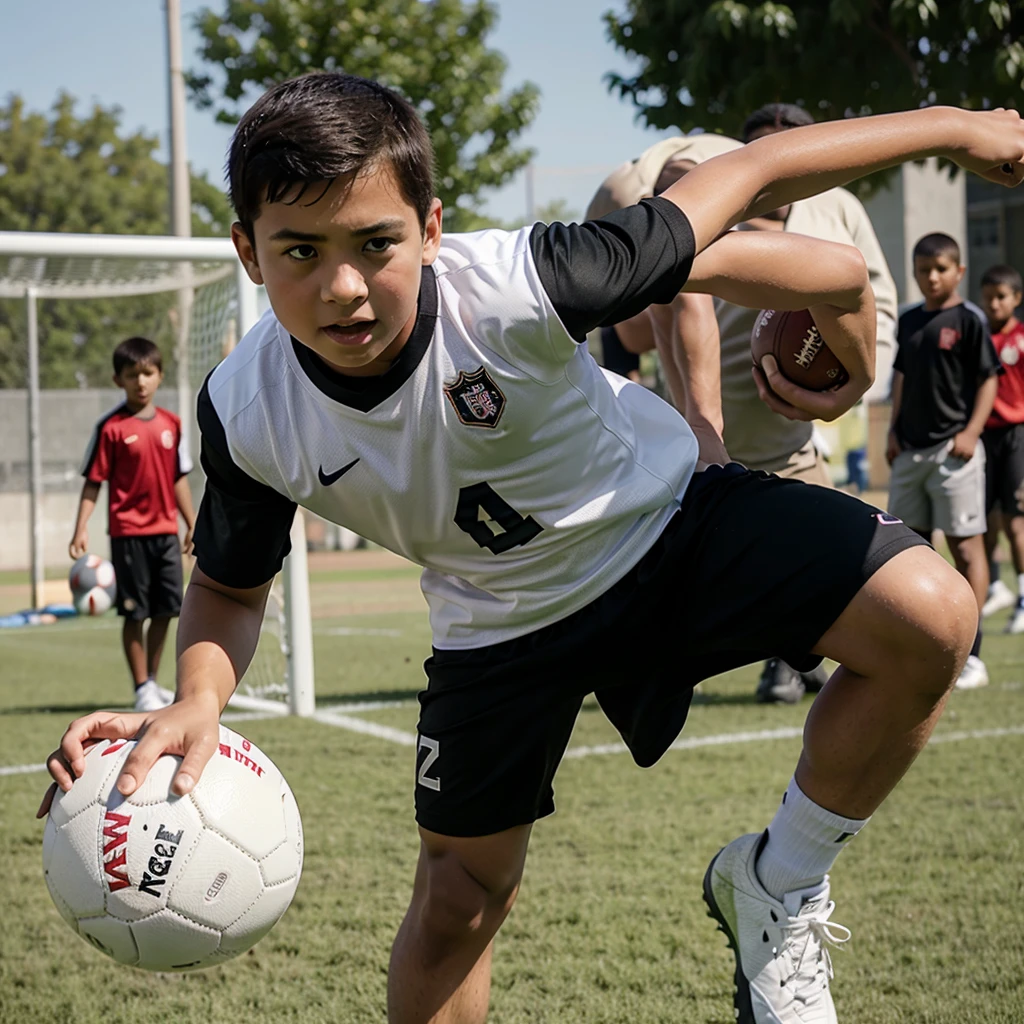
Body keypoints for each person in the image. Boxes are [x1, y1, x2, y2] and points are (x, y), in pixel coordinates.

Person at [40, 73, 1024, 1024]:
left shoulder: (524, 281)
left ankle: (778, 880)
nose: (342, 286)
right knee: (462, 895)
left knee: (931, 617)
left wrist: (958, 128)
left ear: (430, 231)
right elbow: (229, 584)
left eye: (375, 242)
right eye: (298, 250)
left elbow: (755, 172)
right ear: (247, 254)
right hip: (496, 624)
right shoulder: (246, 409)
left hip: (666, 526)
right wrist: (198, 696)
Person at [587, 108, 901, 703]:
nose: (779, 185)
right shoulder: (683, 179)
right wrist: (703, 432)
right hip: (701, 449)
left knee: (856, 572)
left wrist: (848, 379)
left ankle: (801, 652)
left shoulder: (835, 213)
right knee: (670, 581)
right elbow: (638, 330)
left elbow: (870, 302)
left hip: (789, 440)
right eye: (766, 171)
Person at [886, 234, 1001, 691]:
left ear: (959, 272)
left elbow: (989, 380)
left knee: (966, 549)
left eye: (939, 268)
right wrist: (892, 430)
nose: (930, 277)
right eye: (922, 269)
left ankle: (971, 654)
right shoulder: (909, 320)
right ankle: (923, 645)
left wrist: (971, 432)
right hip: (909, 453)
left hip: (955, 454)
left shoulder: (970, 320)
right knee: (909, 556)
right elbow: (900, 376)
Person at [69, 336, 196, 712]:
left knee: (167, 609)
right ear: (117, 380)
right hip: (128, 535)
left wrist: (192, 523)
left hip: (166, 535)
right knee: (134, 613)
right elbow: (94, 481)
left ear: (159, 376)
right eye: (131, 375)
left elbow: (178, 479)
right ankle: (141, 686)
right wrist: (81, 527)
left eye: (147, 373)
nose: (140, 382)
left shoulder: (172, 425)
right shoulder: (109, 428)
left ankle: (152, 683)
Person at [977, 263, 1024, 631]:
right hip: (983, 437)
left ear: (1016, 299)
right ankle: (994, 585)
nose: (994, 304)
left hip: (1016, 435)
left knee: (1016, 521)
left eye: (1001, 297)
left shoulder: (1021, 339)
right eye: (988, 297)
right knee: (984, 521)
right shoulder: (977, 337)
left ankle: (1023, 596)